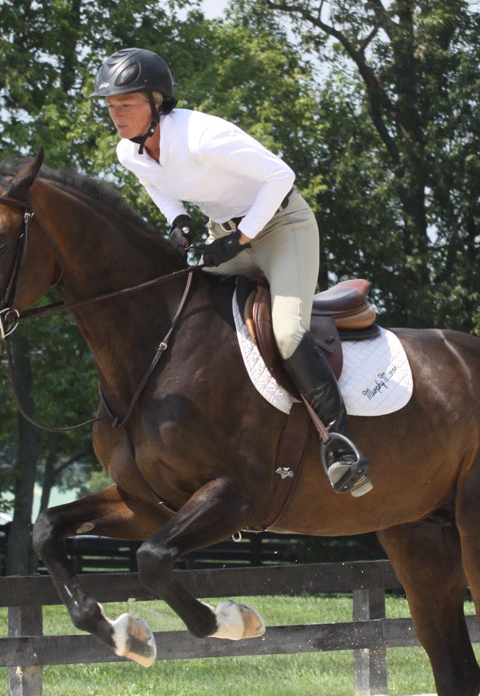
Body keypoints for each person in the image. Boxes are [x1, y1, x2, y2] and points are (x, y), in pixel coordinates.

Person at [92, 47, 371, 497]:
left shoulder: (202, 136)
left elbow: (281, 175)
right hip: (224, 236)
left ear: (157, 102)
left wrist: (239, 240)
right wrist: (178, 220)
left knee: (286, 332)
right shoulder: (130, 151)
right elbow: (157, 185)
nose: (116, 114)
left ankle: (341, 445)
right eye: (110, 106)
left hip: (283, 228)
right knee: (185, 311)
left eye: (126, 103)